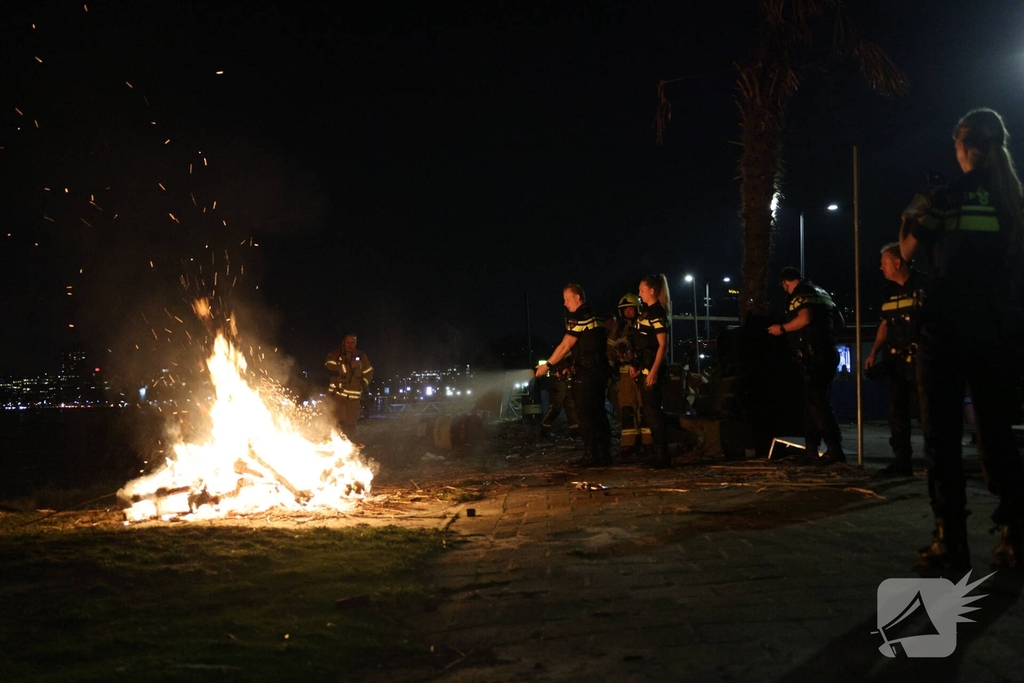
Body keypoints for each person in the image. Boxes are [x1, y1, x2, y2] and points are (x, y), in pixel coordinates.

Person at [900, 108, 1024, 571]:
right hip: (998, 327)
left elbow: (908, 251)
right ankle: (1015, 534)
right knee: (997, 433)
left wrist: (912, 214)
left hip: (947, 327)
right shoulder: (1014, 199)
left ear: (964, 146)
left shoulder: (946, 197)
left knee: (942, 435)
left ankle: (950, 540)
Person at [767, 268, 846, 464]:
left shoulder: (801, 294)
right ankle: (811, 449)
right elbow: (840, 322)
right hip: (827, 352)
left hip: (814, 356)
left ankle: (835, 449)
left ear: (785, 282)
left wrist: (782, 328)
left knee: (818, 404)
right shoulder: (822, 292)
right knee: (812, 404)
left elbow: (805, 318)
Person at [864, 242, 930, 477]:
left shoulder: (926, 285)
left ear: (897, 262)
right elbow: (885, 324)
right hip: (897, 363)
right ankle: (902, 461)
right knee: (896, 414)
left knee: (928, 413)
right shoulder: (889, 291)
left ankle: (939, 461)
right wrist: (873, 352)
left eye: (884, 263)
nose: (881, 268)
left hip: (922, 362)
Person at [535, 284, 611, 466]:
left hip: (587, 373)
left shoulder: (579, 317)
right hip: (599, 370)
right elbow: (586, 345)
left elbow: (566, 345)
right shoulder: (595, 316)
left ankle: (591, 455)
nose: (565, 303)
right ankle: (604, 454)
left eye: (567, 299)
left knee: (584, 413)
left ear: (578, 298)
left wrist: (547, 365)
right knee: (599, 412)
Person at [630, 275, 672, 468]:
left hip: (652, 370)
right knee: (649, 411)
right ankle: (658, 453)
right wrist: (635, 364)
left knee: (653, 412)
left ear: (652, 291)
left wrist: (653, 371)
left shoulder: (657, 313)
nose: (639, 293)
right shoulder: (646, 313)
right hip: (644, 367)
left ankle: (662, 455)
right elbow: (641, 343)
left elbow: (662, 345)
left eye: (642, 290)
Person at [609, 293, 645, 456]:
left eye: (631, 309)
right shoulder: (618, 329)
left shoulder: (645, 324)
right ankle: (629, 444)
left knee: (645, 410)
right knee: (627, 410)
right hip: (625, 376)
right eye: (625, 310)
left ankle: (649, 443)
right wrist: (609, 370)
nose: (628, 313)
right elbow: (610, 351)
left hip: (643, 374)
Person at [325, 333, 374, 439]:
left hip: (354, 399)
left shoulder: (361, 356)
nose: (350, 345)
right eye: (348, 342)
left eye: (353, 342)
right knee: (339, 424)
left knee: (351, 426)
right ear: (343, 342)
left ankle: (350, 445)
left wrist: (364, 383)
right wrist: (349, 366)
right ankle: (337, 443)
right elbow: (331, 369)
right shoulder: (335, 354)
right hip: (338, 396)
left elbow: (369, 372)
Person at [540, 353, 579, 437]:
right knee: (557, 404)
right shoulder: (565, 352)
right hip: (559, 376)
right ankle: (545, 427)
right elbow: (562, 355)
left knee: (570, 404)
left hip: (565, 376)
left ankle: (574, 429)